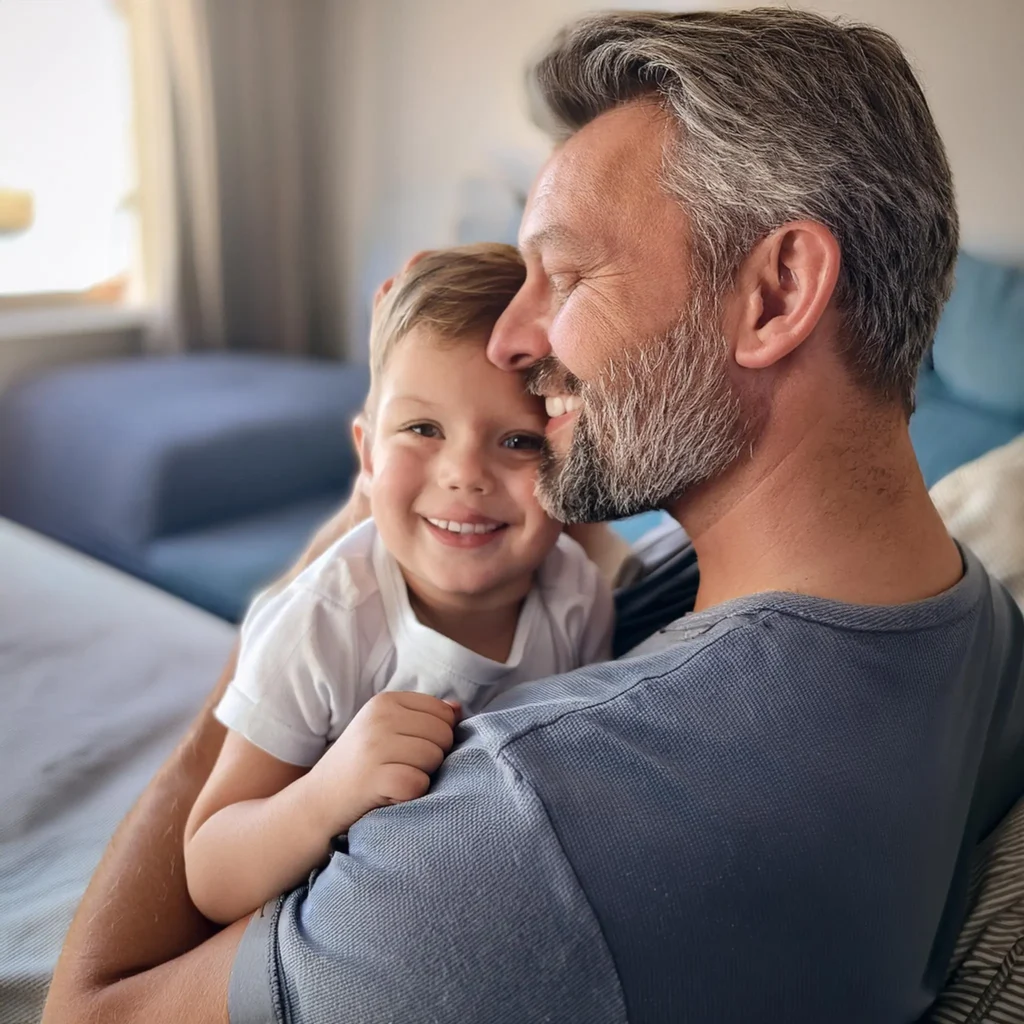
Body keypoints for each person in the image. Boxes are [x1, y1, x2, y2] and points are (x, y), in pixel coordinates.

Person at [43, 9, 1024, 1024]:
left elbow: (91, 1011)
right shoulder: (970, 615)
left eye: (563, 273)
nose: (512, 340)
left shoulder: (520, 838)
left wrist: (289, 607)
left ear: (775, 294)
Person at [181, 244, 612, 926]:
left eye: (520, 442)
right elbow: (209, 868)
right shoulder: (326, 624)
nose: (464, 474)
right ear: (368, 455)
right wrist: (328, 793)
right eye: (423, 429)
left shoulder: (578, 596)